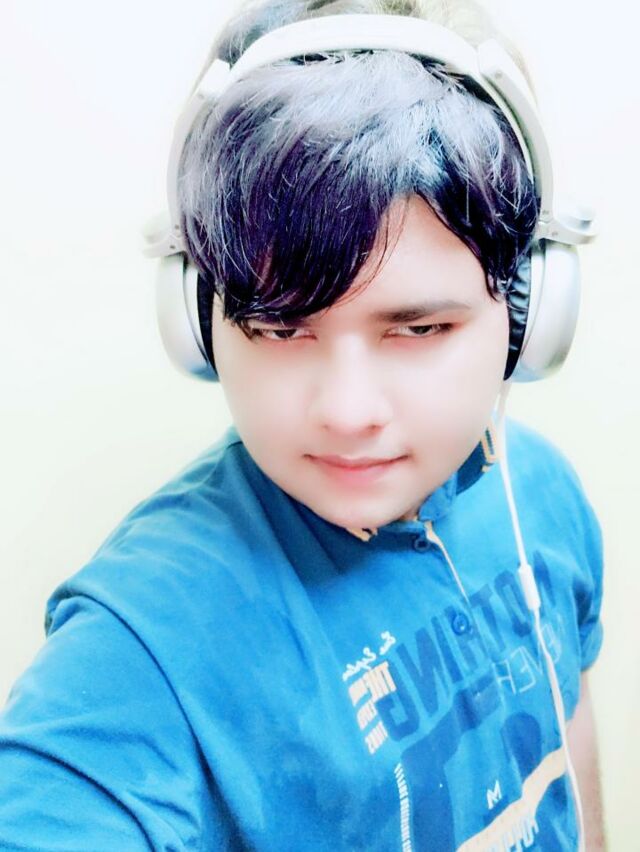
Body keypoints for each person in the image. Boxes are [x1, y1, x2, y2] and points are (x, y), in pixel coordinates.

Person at [0, 0, 605, 849]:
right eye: (281, 330)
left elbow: (571, 783)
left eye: (419, 329)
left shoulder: (541, 492)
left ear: (528, 316)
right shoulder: (141, 647)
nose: (348, 414)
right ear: (198, 325)